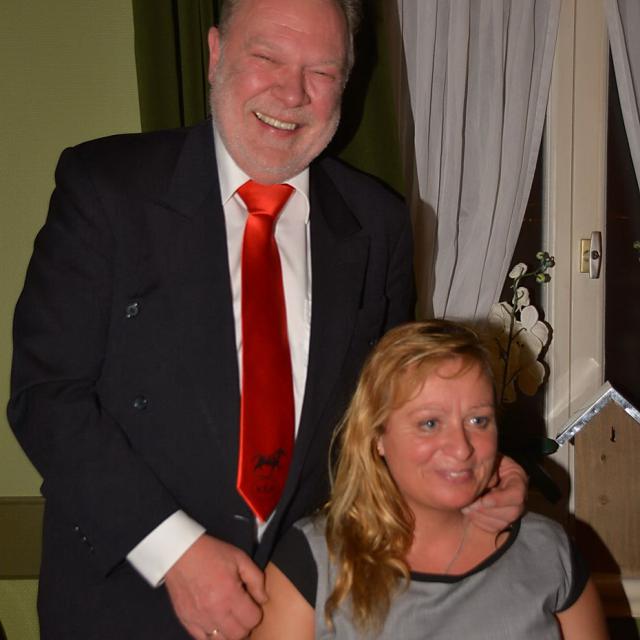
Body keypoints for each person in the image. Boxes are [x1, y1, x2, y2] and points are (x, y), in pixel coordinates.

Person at [7, 1, 526, 639]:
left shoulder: (377, 221)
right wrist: (175, 553)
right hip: (127, 603)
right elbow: (47, 397)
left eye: (322, 71)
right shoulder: (108, 189)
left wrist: (478, 473)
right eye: (267, 58)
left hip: (311, 603)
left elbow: (395, 404)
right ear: (215, 54)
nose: (292, 93)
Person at [252, 320, 609, 640]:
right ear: (377, 436)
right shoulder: (315, 562)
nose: (461, 447)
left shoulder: (547, 551)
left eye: (478, 420)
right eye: (430, 423)